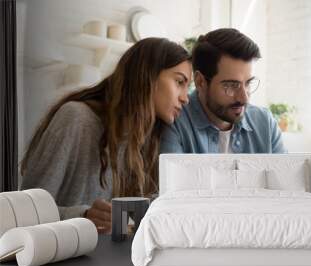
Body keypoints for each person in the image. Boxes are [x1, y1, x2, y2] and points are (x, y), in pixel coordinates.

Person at [21, 38, 192, 233]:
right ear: (148, 76)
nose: (185, 98)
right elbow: (24, 212)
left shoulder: (148, 138)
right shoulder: (76, 118)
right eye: (179, 82)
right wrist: (83, 217)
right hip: (61, 259)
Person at [160, 28, 286, 154]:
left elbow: (283, 173)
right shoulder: (174, 122)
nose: (244, 98)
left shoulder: (265, 123)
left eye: (248, 83)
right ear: (200, 82)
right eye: (231, 85)